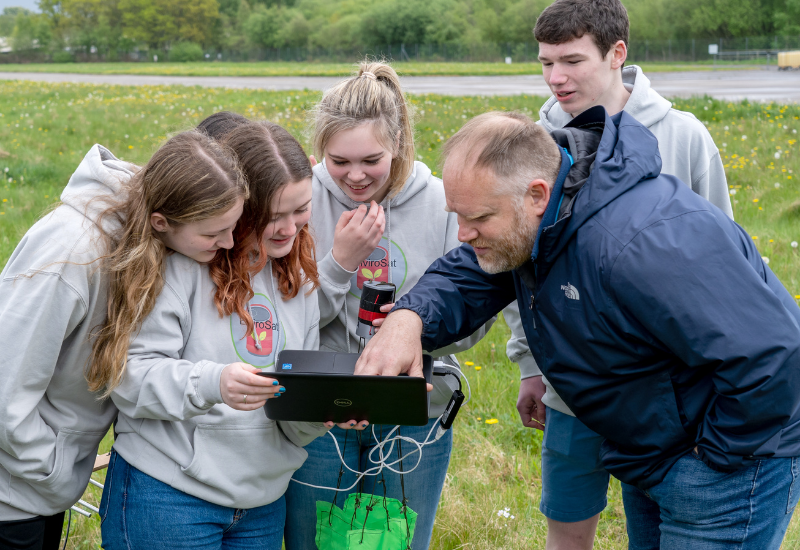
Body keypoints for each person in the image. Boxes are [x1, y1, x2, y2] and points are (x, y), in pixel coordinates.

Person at [355, 109, 800, 549]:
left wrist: (707, 460)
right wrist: (407, 319)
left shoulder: (643, 241)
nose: (463, 233)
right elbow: (465, 276)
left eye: (478, 219)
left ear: (536, 195)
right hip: (655, 452)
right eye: (457, 214)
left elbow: (774, 356)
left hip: (725, 468)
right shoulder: (540, 223)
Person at [500, 1, 734, 547]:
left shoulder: (683, 135)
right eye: (545, 62)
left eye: (572, 61)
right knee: (567, 529)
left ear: (617, 54)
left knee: (654, 528)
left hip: (668, 395)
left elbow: (725, 264)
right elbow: (518, 269)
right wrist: (530, 364)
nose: (556, 77)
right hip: (571, 388)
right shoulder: (531, 146)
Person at [99, 121, 362, 550]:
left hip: (262, 504)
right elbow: (129, 379)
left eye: (301, 209)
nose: (289, 228)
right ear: (239, 207)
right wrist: (213, 383)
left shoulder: (298, 277)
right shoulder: (183, 266)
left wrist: (320, 410)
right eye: (272, 216)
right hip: (170, 497)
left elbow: (288, 413)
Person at [283, 61, 492, 550]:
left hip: (412, 415)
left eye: (371, 160)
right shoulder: (299, 202)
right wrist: (338, 262)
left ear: (397, 144)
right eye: (338, 161)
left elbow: (473, 314)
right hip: (321, 414)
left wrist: (410, 329)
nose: (355, 176)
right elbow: (281, 321)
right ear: (320, 152)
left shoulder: (440, 203)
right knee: (313, 542)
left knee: (393, 542)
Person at [0, 143, 136, 549]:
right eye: (215, 232)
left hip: (38, 490)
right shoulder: (70, 254)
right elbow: (6, 387)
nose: (227, 241)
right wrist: (54, 468)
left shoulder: (125, 244)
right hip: (12, 497)